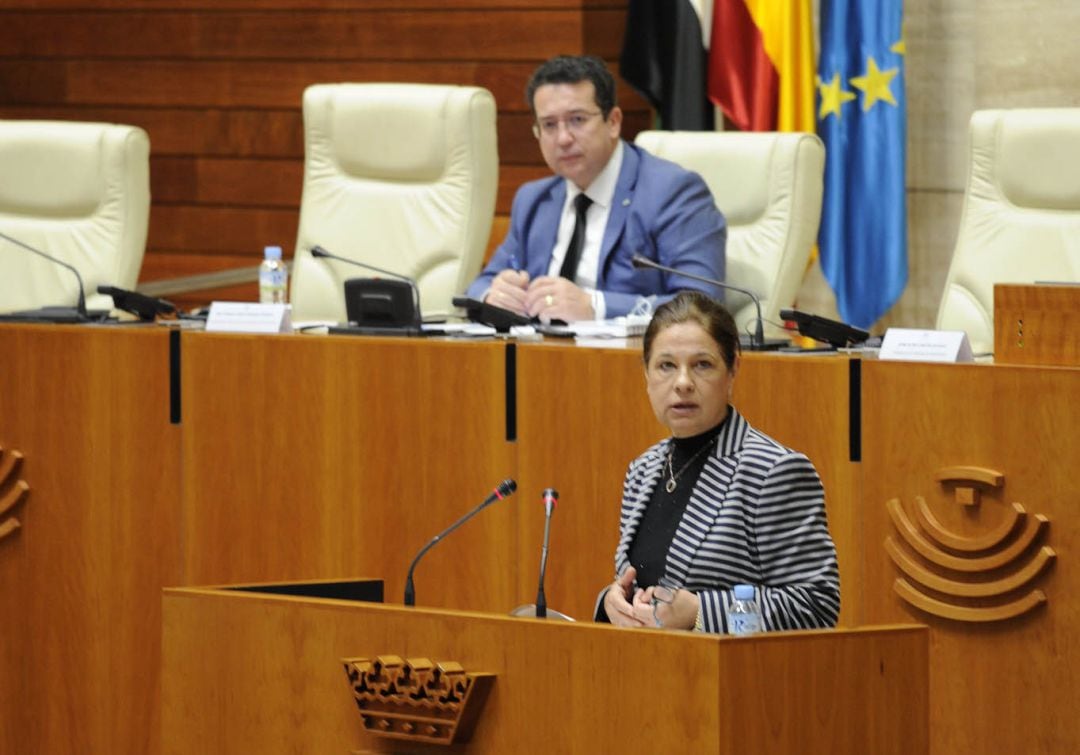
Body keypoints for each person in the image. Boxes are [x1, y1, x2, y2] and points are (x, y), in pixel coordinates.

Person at [595, 291, 840, 632]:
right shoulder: (643, 469)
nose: (682, 383)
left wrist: (700, 612)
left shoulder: (772, 471)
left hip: (735, 680)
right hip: (649, 672)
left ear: (732, 371)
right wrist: (611, 603)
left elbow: (816, 605)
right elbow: (642, 590)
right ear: (646, 375)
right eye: (666, 365)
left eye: (702, 365)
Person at [465, 55, 727, 322]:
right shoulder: (534, 200)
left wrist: (596, 307)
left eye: (577, 120)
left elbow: (702, 304)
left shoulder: (672, 192)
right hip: (539, 356)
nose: (564, 138)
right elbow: (478, 286)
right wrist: (493, 294)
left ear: (613, 122)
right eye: (549, 125)